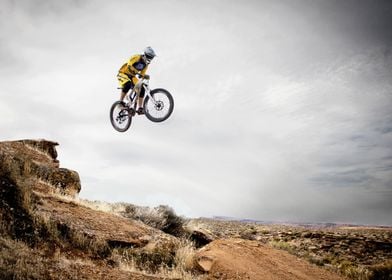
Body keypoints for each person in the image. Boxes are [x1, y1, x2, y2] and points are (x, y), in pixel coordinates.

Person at [117, 46, 156, 114]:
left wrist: (144, 76)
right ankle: (120, 102)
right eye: (149, 57)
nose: (150, 59)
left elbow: (142, 74)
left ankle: (140, 108)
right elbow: (129, 64)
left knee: (141, 88)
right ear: (145, 55)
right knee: (128, 84)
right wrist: (137, 73)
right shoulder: (137, 57)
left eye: (151, 58)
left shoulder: (145, 65)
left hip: (132, 76)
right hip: (123, 73)